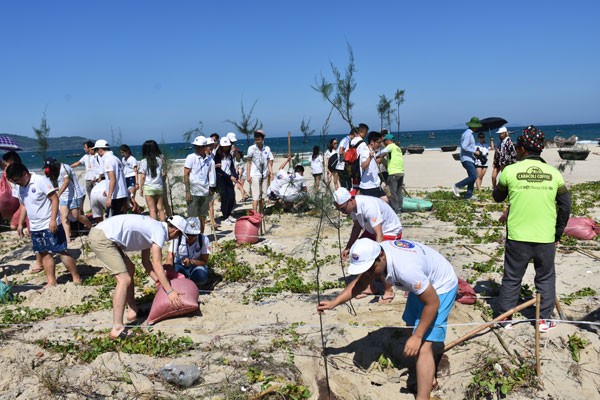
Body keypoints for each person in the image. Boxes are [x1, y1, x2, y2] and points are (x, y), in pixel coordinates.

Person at [317, 238, 458, 400]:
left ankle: (423, 395)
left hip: (441, 286)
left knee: (423, 345)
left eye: (371, 268)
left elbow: (432, 303)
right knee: (411, 325)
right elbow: (361, 282)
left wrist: (418, 337)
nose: (369, 273)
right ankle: (423, 369)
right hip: (423, 281)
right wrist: (334, 302)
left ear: (381, 256)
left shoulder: (407, 270)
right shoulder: (377, 255)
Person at [492, 125, 571, 332]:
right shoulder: (553, 173)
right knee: (545, 277)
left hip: (518, 236)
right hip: (545, 236)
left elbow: (497, 196)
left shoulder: (510, 171)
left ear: (523, 149)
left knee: (512, 277)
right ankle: (543, 320)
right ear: (541, 149)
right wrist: (558, 231)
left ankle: (505, 317)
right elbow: (565, 205)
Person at [88, 214, 188, 339]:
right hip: (102, 238)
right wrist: (170, 291)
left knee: (130, 269)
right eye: (178, 235)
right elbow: (157, 264)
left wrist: (159, 282)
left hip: (105, 235)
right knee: (124, 279)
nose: (175, 238)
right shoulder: (159, 232)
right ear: (176, 231)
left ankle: (132, 310)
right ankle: (117, 328)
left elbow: (146, 262)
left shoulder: (153, 228)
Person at [6, 163, 82, 288]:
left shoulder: (40, 181)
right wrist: (20, 223)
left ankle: (76, 277)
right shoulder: (20, 187)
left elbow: (54, 199)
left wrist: (53, 220)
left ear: (24, 174)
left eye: (17, 180)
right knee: (44, 253)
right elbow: (24, 205)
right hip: (35, 226)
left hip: (49, 224)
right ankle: (51, 281)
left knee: (61, 251)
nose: (16, 183)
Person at [333, 187, 401, 303]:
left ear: (350, 200)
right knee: (359, 251)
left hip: (389, 230)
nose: (342, 212)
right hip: (372, 230)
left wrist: (377, 254)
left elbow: (379, 233)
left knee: (374, 260)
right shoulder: (353, 208)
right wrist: (349, 247)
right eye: (340, 209)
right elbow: (357, 227)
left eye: (343, 209)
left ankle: (388, 289)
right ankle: (371, 287)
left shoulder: (369, 206)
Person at [44, 158, 92, 242]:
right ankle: (68, 238)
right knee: (64, 217)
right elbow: (61, 183)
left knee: (77, 216)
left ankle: (91, 228)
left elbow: (66, 182)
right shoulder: (56, 172)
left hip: (74, 195)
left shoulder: (64, 168)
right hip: (64, 197)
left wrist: (58, 194)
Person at [164, 217, 211, 286]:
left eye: (193, 235)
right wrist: (170, 272)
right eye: (187, 234)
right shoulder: (177, 237)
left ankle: (190, 283)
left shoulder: (204, 240)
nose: (190, 237)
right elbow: (170, 256)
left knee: (201, 276)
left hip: (195, 266)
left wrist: (191, 261)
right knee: (171, 274)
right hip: (179, 265)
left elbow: (204, 261)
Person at [184, 136, 216, 234]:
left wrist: (211, 189)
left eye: (200, 146)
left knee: (202, 216)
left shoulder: (210, 160)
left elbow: (211, 176)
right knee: (192, 217)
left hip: (205, 191)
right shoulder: (191, 157)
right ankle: (192, 236)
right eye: (196, 146)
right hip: (194, 191)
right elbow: (186, 174)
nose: (197, 148)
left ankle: (201, 236)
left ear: (205, 147)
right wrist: (188, 191)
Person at [93, 139, 129, 217]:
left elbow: (112, 179)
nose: (97, 154)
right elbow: (119, 177)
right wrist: (107, 189)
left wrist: (109, 197)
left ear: (100, 150)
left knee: (114, 220)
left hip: (116, 196)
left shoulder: (108, 160)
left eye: (96, 151)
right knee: (121, 219)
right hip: (123, 194)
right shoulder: (116, 159)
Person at [453, 117, 482, 200]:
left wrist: (475, 150)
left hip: (469, 158)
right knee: (473, 176)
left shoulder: (468, 133)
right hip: (466, 159)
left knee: (471, 177)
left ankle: (469, 195)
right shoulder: (468, 134)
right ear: (475, 126)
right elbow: (464, 146)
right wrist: (474, 151)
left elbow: (467, 146)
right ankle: (457, 186)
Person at [246, 130, 274, 213]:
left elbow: (269, 162)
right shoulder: (251, 148)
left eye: (259, 137)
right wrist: (248, 175)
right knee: (256, 195)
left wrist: (271, 173)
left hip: (264, 174)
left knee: (263, 195)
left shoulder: (267, 148)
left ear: (262, 138)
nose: (257, 139)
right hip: (254, 174)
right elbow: (248, 162)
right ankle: (254, 213)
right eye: (256, 137)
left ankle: (261, 212)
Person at [138, 140, 166, 221]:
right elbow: (162, 173)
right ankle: (163, 226)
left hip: (149, 187)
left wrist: (141, 188)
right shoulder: (159, 160)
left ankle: (154, 228)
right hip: (159, 186)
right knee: (160, 209)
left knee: (152, 210)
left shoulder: (143, 162)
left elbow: (143, 177)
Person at [214, 137, 238, 224]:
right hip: (221, 178)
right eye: (224, 146)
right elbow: (218, 170)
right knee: (224, 197)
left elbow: (231, 167)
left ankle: (229, 214)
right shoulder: (217, 155)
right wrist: (229, 177)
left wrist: (235, 175)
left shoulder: (229, 155)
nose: (226, 148)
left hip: (228, 178)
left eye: (227, 146)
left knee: (232, 196)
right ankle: (225, 216)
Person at [358, 131, 388, 201]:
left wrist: (380, 159)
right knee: (382, 202)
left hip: (375, 184)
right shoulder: (366, 151)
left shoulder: (372, 151)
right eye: (378, 142)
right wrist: (370, 157)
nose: (380, 144)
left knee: (385, 200)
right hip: (368, 186)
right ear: (372, 142)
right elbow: (363, 166)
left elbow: (372, 164)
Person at [380, 133, 405, 213]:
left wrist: (374, 155)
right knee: (399, 192)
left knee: (392, 192)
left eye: (385, 141)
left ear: (388, 141)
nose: (384, 143)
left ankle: (396, 210)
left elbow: (381, 152)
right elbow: (387, 155)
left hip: (393, 172)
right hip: (400, 172)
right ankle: (400, 208)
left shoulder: (390, 147)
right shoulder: (397, 148)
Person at [120, 144, 140, 213]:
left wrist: (137, 183)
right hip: (125, 178)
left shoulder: (132, 159)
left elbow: (136, 171)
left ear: (127, 151)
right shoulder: (123, 159)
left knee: (131, 197)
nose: (122, 154)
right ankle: (138, 209)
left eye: (123, 152)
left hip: (132, 177)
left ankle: (136, 209)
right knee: (126, 198)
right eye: (121, 153)